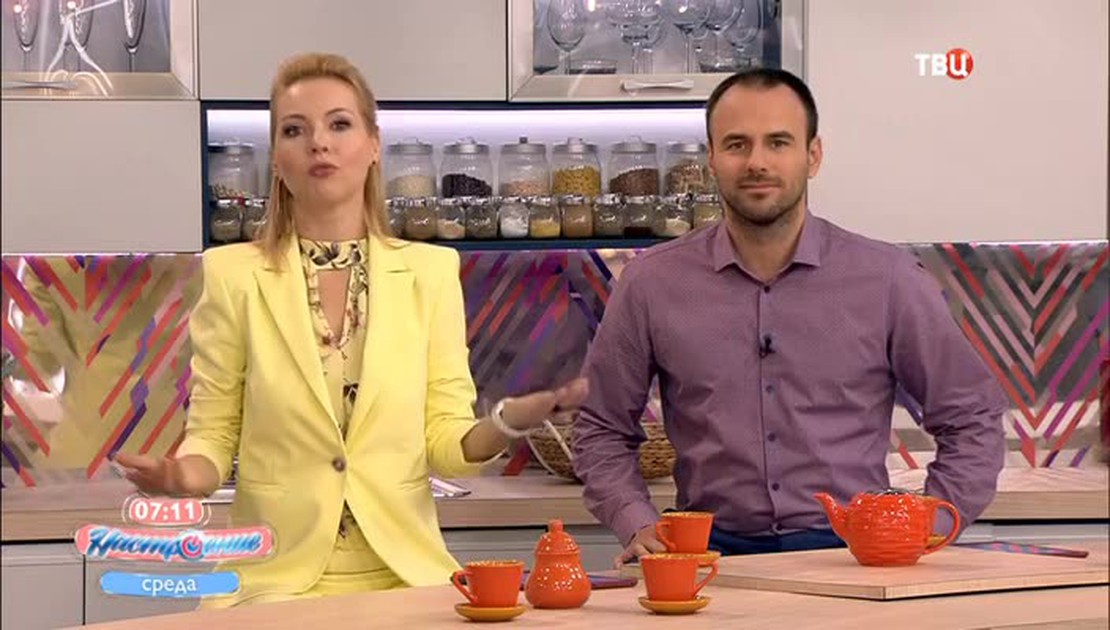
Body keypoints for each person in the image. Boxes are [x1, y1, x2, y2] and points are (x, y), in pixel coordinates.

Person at [115, 52, 587, 607]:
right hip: (274, 581)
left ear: (373, 144)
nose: (319, 143)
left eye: (339, 124)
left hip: (404, 576)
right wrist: (183, 479)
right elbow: (214, 435)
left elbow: (446, 444)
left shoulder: (430, 274)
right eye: (295, 130)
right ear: (276, 159)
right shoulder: (232, 276)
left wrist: (510, 420)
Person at [572, 68, 1007, 565]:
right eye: (737, 144)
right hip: (707, 563)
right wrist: (636, 520)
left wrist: (928, 525)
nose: (757, 162)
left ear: (812, 155)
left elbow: (971, 417)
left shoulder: (890, 280)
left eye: (778, 142)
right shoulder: (651, 283)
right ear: (711, 158)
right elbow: (600, 427)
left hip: (857, 560)